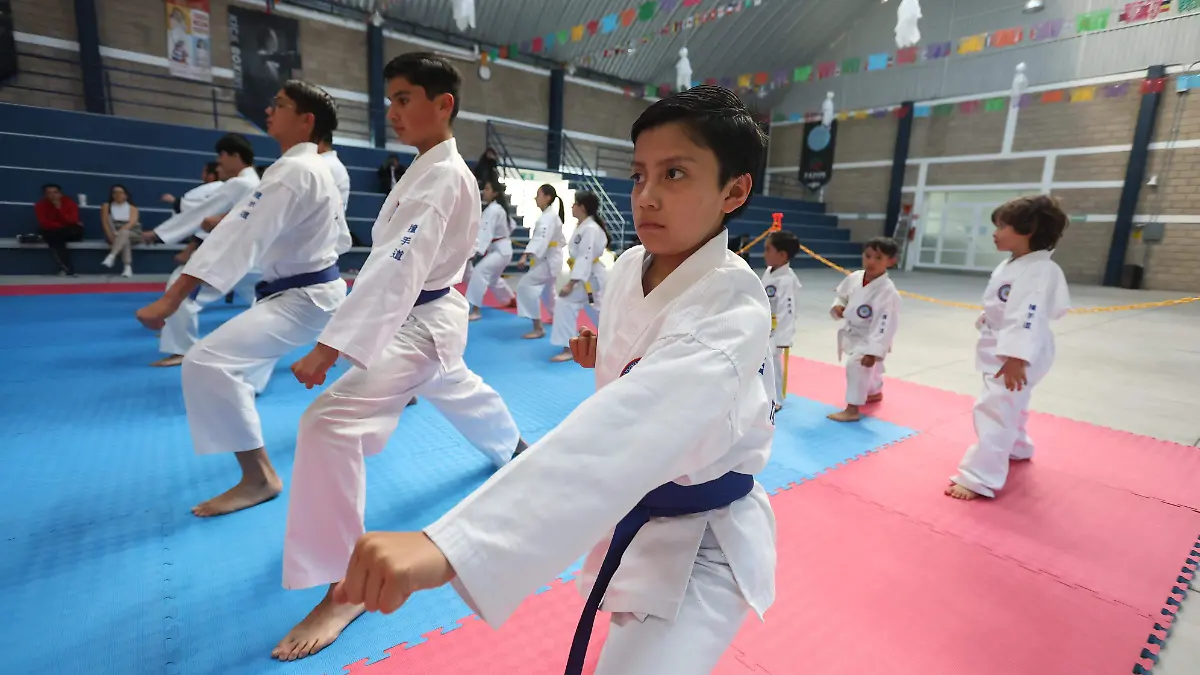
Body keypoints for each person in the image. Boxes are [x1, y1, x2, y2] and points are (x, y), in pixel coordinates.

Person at [325, 85, 778, 675]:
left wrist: (452, 545)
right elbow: (651, 366)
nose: (647, 195)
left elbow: (634, 421)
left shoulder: (732, 307)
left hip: (704, 539)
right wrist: (609, 355)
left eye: (675, 174)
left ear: (733, 191)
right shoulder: (630, 268)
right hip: (629, 507)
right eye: (639, 175)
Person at [273, 52, 528, 661]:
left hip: (421, 321)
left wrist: (328, 348)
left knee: (328, 422)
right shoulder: (427, 166)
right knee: (453, 384)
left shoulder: (440, 177)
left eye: (405, 98)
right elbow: (395, 265)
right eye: (390, 100)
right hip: (427, 318)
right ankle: (513, 447)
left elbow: (397, 268)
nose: (394, 111)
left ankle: (347, 586)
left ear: (444, 104)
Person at [134, 80, 350, 517]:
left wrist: (173, 298)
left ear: (306, 121)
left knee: (206, 361)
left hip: (303, 296)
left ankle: (259, 478)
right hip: (304, 290)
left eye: (280, 105)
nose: (269, 110)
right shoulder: (311, 168)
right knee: (223, 363)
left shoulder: (296, 170)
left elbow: (239, 234)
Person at [947, 195, 1070, 501]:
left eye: (1002, 226)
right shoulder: (1018, 263)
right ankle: (1017, 446)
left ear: (1029, 229)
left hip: (1018, 352)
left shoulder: (1038, 270)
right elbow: (1009, 304)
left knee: (994, 408)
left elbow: (1027, 315)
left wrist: (1016, 357)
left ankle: (979, 477)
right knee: (1014, 402)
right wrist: (990, 317)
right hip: (1013, 346)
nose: (995, 232)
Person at [143, 134, 261, 367]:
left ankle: (181, 347)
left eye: (222, 156)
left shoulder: (240, 184)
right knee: (270, 301)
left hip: (234, 256)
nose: (219, 162)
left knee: (180, 287)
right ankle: (322, 340)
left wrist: (158, 233)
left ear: (234, 156)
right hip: (253, 256)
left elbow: (201, 212)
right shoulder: (255, 182)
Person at [827, 237, 900, 423]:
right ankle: (874, 391)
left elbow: (885, 325)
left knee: (857, 365)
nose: (871, 261)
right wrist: (838, 306)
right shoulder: (855, 278)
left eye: (878, 258)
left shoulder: (888, 292)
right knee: (869, 369)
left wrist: (873, 351)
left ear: (891, 261)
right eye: (868, 256)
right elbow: (841, 296)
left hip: (872, 336)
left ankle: (852, 409)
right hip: (854, 331)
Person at [548, 190, 608, 363]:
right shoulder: (584, 226)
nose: (572, 207)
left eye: (575, 204)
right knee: (598, 311)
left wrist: (572, 283)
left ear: (582, 207)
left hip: (589, 277)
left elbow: (585, 257)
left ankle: (568, 348)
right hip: (588, 276)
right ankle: (615, 341)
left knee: (566, 302)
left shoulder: (590, 229)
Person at [515, 183, 566, 339]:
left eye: (538, 195)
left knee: (525, 285)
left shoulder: (548, 217)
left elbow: (540, 239)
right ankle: (561, 319)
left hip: (548, 260)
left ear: (547, 197)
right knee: (547, 293)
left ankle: (538, 328)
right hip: (550, 259)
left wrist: (525, 255)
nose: (535, 198)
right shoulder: (549, 216)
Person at [465, 177, 517, 320]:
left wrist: (475, 251)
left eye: (487, 189)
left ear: (495, 193)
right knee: (493, 278)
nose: (484, 192)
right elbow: (512, 225)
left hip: (500, 250)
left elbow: (485, 232)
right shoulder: (499, 208)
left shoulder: (493, 209)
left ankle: (476, 310)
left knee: (479, 272)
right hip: (503, 248)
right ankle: (509, 298)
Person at [760, 230, 801, 411]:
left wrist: (783, 338)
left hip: (777, 329)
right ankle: (762, 392)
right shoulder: (770, 272)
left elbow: (788, 311)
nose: (764, 254)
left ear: (782, 255)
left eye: (768, 249)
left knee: (773, 363)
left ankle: (776, 398)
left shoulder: (786, 280)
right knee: (762, 361)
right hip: (765, 325)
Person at [31, 184, 83, 276]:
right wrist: (61, 226)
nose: (53, 195)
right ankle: (68, 269)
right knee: (55, 237)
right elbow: (44, 222)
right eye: (49, 193)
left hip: (70, 231)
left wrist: (59, 209)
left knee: (55, 234)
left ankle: (39, 238)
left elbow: (73, 221)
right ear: (45, 195)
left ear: (60, 194)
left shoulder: (69, 203)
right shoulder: (40, 205)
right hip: (54, 231)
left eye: (55, 192)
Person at [100, 184, 142, 278]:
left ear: (126, 195)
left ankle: (112, 255)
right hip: (114, 233)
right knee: (125, 240)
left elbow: (131, 223)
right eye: (115, 192)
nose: (117, 195)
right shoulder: (106, 206)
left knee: (124, 233)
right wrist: (110, 236)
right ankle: (127, 267)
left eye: (120, 192)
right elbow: (105, 222)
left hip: (133, 233)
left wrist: (118, 233)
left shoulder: (133, 208)